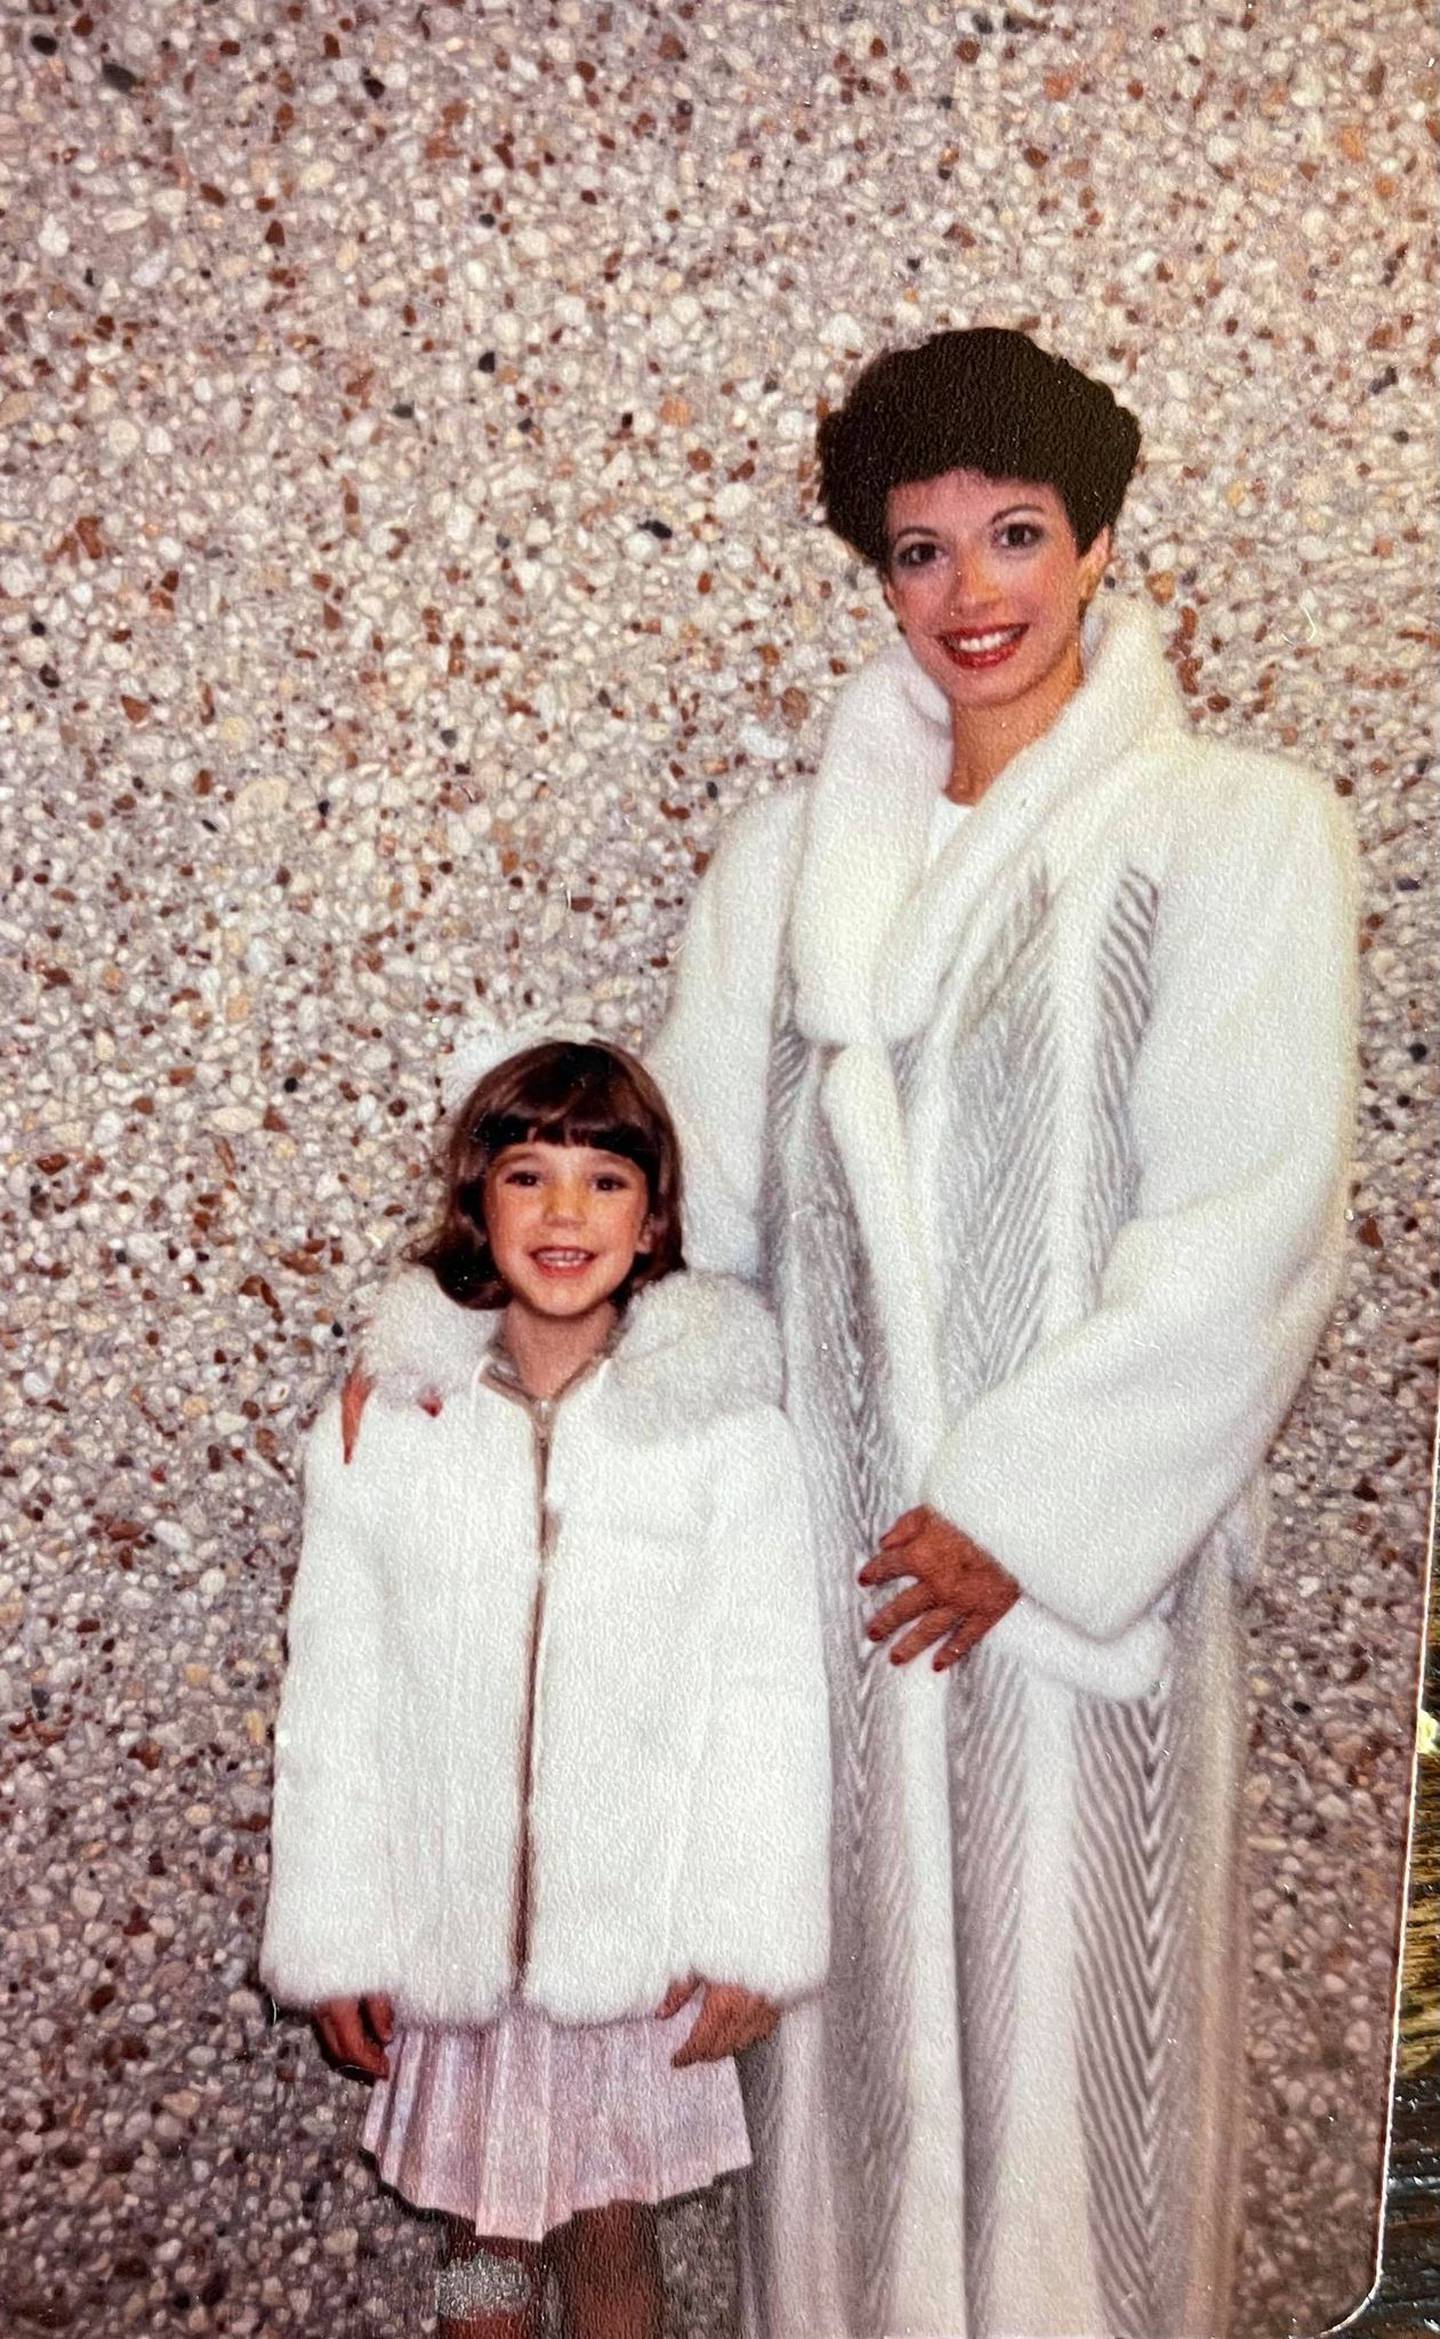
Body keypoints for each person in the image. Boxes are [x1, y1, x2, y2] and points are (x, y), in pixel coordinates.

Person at [649, 326, 1358, 2339]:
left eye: (1016, 535)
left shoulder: (1236, 832)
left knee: (1084, 2139)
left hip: (1068, 1617)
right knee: (858, 2163)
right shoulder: (785, 868)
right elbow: (678, 1212)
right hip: (846, 1616)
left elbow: (1251, 1220)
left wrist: (1026, 1514)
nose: (971, 596)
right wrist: (448, 1363)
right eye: (919, 551)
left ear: (1102, 541)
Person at [260, 1031, 830, 2339]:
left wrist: (748, 1926)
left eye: (604, 1181)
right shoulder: (397, 1425)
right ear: (480, 1203)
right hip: (452, 1927)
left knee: (614, 2231)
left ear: (654, 1218)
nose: (565, 1212)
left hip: (634, 1940)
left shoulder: (725, 1432)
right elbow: (338, 1690)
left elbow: (766, 1691)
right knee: (479, 2240)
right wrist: (342, 1928)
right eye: (528, 1176)